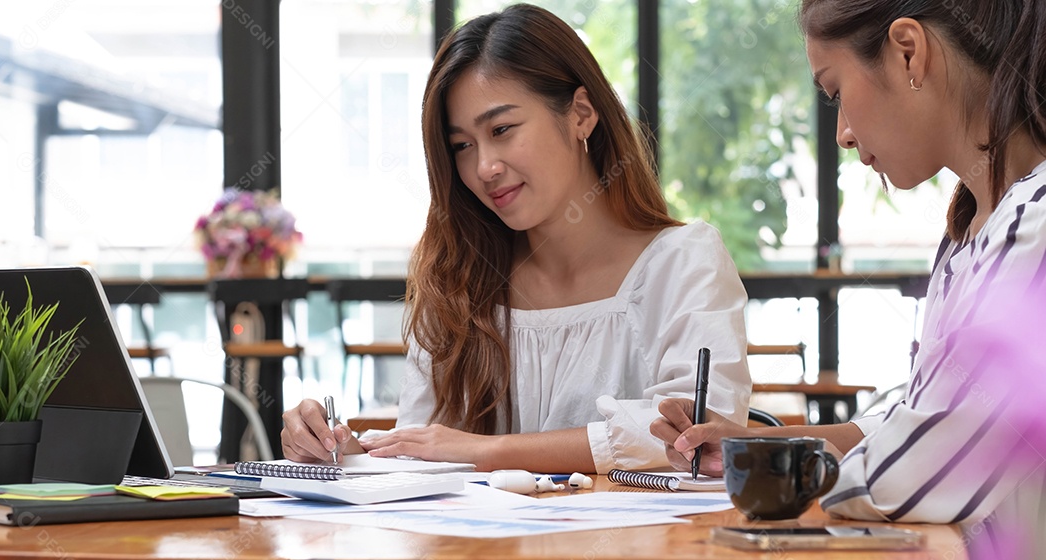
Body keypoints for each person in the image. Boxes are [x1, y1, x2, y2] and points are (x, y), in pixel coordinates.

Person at [281, 3, 752, 474]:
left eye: (502, 129)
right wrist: (338, 451)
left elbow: (691, 436)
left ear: (581, 114)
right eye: (462, 146)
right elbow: (424, 450)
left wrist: (489, 450)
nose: (484, 167)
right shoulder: (457, 277)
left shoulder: (684, 262)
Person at [652, 0, 1046, 533]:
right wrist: (763, 446)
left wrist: (785, 470)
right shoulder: (971, 234)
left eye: (836, 92)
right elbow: (926, 420)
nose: (842, 134)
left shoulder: (1035, 223)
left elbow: (919, 472)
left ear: (908, 52)